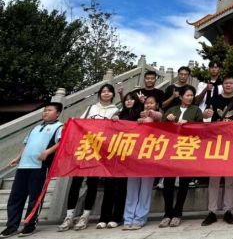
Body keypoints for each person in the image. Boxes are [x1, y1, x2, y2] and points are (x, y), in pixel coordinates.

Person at [58, 84, 120, 232]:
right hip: (84, 148)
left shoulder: (116, 110)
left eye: (108, 92)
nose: (106, 94)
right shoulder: (91, 108)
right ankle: (69, 216)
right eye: (103, 92)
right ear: (99, 94)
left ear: (112, 95)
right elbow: (80, 123)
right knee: (75, 183)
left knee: (92, 183)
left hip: (99, 151)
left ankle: (85, 215)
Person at [0, 103, 63, 238]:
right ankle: (12, 226)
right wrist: (17, 158)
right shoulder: (35, 127)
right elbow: (26, 144)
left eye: (49, 110)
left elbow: (61, 142)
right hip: (23, 166)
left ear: (57, 114)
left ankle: (30, 225)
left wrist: (47, 151)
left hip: (40, 167)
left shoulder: (59, 127)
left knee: (35, 198)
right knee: (15, 197)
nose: (45, 112)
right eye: (45, 110)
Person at [201, 76, 233, 226]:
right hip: (216, 143)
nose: (228, 85)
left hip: (232, 143)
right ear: (223, 85)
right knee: (214, 179)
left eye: (231, 83)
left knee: (230, 179)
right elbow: (207, 117)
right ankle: (212, 211)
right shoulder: (214, 99)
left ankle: (228, 211)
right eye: (226, 83)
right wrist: (206, 115)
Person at [159, 85, 203, 228]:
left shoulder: (196, 110)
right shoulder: (171, 110)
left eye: (192, 95)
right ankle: (167, 213)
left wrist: (189, 124)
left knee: (184, 183)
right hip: (171, 150)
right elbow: (160, 128)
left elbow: (201, 129)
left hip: (187, 149)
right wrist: (167, 119)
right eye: (187, 95)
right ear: (181, 96)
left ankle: (178, 213)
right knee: (168, 183)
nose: (190, 98)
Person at [121, 96, 162, 230]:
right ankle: (128, 218)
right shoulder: (137, 116)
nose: (149, 105)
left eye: (152, 103)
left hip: (149, 156)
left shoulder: (157, 116)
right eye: (147, 103)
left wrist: (149, 113)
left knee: (145, 189)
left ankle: (140, 218)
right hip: (134, 156)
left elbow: (157, 115)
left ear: (156, 105)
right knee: (131, 189)